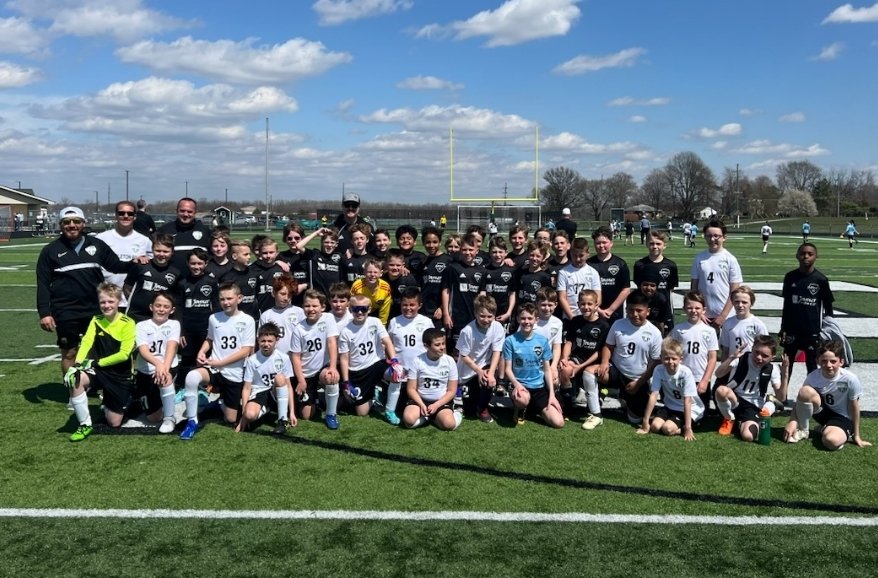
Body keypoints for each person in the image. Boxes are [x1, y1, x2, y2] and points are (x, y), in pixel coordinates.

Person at [37, 206, 131, 380]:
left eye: (76, 222)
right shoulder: (50, 250)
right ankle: (74, 391)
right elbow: (42, 283)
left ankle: (99, 386)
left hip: (95, 309)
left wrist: (137, 262)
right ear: (60, 225)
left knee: (100, 350)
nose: (71, 225)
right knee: (70, 352)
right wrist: (44, 313)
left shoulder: (96, 245)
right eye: (67, 222)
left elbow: (116, 266)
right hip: (65, 310)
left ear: (83, 224)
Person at [179, 282, 256, 440]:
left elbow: (246, 351)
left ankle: (219, 403)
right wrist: (201, 352)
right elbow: (210, 339)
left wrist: (221, 363)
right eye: (222, 299)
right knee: (191, 377)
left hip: (234, 372)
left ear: (239, 298)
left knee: (230, 419)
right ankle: (192, 422)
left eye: (229, 298)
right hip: (214, 369)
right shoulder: (214, 318)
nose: (226, 302)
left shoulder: (248, 320)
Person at [63, 283, 137, 441]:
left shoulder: (128, 323)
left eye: (111, 301)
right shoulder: (96, 320)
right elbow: (86, 343)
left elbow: (124, 355)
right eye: (103, 302)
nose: (106, 305)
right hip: (99, 370)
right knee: (75, 378)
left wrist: (96, 363)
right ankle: (85, 424)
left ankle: (125, 399)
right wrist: (76, 365)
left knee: (114, 422)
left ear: (119, 301)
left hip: (120, 374)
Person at [783, 341, 870, 451]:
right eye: (824, 361)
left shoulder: (850, 379)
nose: (828, 365)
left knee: (830, 441)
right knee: (805, 391)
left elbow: (855, 407)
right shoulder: (813, 377)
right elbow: (801, 399)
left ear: (841, 362)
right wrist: (792, 420)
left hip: (842, 418)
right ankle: (803, 430)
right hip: (823, 413)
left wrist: (857, 436)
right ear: (818, 361)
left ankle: (831, 431)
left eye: (833, 361)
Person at [778, 242, 834, 401]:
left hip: (812, 331)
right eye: (803, 253)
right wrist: (783, 328)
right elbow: (787, 304)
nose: (806, 257)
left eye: (810, 254)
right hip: (792, 330)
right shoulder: (790, 277)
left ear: (816, 257)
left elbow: (828, 307)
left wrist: (829, 328)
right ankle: (782, 397)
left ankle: (813, 397)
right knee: (787, 365)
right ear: (797, 256)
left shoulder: (821, 279)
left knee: (812, 365)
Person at [338, 294, 401, 419]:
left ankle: (389, 410)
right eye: (356, 309)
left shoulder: (375, 322)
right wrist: (346, 382)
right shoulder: (346, 331)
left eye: (364, 309)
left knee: (397, 373)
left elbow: (387, 341)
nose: (360, 312)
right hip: (358, 371)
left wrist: (395, 361)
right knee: (361, 412)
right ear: (350, 310)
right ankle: (375, 395)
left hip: (376, 363)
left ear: (370, 309)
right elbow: (344, 358)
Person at [503, 303, 565, 429]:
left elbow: (547, 370)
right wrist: (517, 385)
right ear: (518, 319)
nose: (527, 322)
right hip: (521, 385)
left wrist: (552, 395)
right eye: (523, 318)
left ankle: (533, 408)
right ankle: (520, 408)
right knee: (523, 399)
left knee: (558, 423)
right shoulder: (510, 341)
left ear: (536, 320)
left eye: (530, 318)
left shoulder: (542, 341)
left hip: (539, 387)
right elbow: (507, 369)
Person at [714, 335, 783, 442]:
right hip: (734, 399)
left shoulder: (772, 369)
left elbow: (781, 397)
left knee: (748, 436)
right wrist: (732, 357)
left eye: (765, 355)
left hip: (752, 406)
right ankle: (729, 419)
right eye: (756, 352)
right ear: (752, 348)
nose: (759, 357)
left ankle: (769, 404)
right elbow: (718, 374)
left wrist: (786, 374)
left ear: (772, 357)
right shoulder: (742, 358)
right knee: (721, 390)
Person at [290, 289, 341, 429]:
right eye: (307, 306)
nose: (311, 309)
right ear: (303, 307)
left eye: (314, 306)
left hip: (323, 367)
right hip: (306, 372)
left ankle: (331, 414)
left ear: (322, 307)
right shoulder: (298, 329)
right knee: (306, 415)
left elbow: (331, 342)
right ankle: (317, 401)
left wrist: (332, 367)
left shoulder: (328, 318)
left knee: (331, 377)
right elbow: (295, 356)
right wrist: (301, 380)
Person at [636, 338, 703, 441]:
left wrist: (688, 428)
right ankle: (672, 422)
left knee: (667, 429)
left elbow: (688, 400)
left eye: (674, 358)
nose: (670, 362)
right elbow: (654, 395)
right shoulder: (659, 369)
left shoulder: (686, 373)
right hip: (669, 406)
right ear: (661, 358)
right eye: (666, 358)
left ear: (680, 359)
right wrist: (645, 421)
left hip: (688, 409)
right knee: (655, 427)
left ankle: (688, 426)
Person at [134, 292, 181, 434]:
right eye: (158, 305)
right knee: (153, 418)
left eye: (166, 306)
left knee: (164, 378)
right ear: (151, 307)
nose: (161, 309)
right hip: (145, 371)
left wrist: (164, 368)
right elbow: (143, 350)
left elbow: (171, 347)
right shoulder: (141, 325)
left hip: (167, 367)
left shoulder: (174, 324)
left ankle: (169, 418)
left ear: (172, 310)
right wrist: (158, 364)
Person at [560, 289, 609, 425]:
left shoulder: (603, 325)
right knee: (564, 369)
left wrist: (581, 367)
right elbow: (569, 341)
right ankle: (569, 405)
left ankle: (601, 394)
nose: (586, 307)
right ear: (578, 304)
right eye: (582, 304)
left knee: (596, 375)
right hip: (578, 357)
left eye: (589, 304)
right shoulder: (575, 320)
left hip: (594, 361)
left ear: (596, 305)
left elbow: (599, 352)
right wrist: (565, 358)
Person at [237, 322, 296, 434]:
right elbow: (246, 388)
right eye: (263, 341)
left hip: (276, 392)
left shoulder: (283, 358)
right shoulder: (252, 360)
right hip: (259, 393)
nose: (266, 344)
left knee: (279, 378)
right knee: (249, 415)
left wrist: (292, 412)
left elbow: (288, 386)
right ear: (258, 340)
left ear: (276, 340)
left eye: (270, 341)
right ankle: (265, 408)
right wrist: (243, 415)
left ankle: (282, 420)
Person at [455, 294, 505, 422]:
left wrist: (491, 373)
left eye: (490, 316)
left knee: (489, 380)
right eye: (482, 316)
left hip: (485, 366)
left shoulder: (498, 327)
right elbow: (464, 356)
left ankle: (483, 408)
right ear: (475, 313)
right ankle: (461, 394)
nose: (486, 319)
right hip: (468, 370)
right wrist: (478, 371)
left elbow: (497, 351)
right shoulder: (467, 331)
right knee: (468, 410)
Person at [96, 200, 153, 307]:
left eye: (130, 213)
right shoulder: (101, 239)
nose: (126, 216)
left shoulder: (144, 241)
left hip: (133, 300)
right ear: (116, 216)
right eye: (121, 213)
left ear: (135, 217)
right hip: (107, 301)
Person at [671, 291, 719, 416]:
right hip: (682, 375)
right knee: (681, 408)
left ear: (704, 310)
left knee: (701, 413)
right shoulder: (678, 329)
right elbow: (672, 352)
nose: (693, 311)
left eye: (697, 308)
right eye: (690, 308)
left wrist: (705, 380)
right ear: (684, 309)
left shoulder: (709, 331)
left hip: (700, 377)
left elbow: (712, 358)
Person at [403, 329, 461, 430]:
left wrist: (436, 405)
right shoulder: (417, 361)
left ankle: (457, 412)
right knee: (408, 420)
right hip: (420, 400)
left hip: (441, 401)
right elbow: (411, 389)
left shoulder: (449, 361)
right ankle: (427, 418)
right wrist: (421, 404)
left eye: (443, 343)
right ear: (426, 346)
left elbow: (452, 390)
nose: (442, 347)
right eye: (437, 345)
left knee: (449, 425)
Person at [689, 219, 742, 330]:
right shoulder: (699, 258)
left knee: (726, 347)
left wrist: (723, 316)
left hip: (727, 316)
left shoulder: (730, 259)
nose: (712, 239)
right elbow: (694, 289)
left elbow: (734, 291)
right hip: (703, 317)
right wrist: (700, 312)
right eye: (709, 236)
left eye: (716, 236)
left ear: (724, 237)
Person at [441, 233, 486, 350]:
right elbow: (446, 291)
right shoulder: (453, 268)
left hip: (475, 317)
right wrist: (446, 314)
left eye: (471, 249)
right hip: (457, 317)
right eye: (464, 249)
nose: (468, 253)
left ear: (477, 250)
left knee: (473, 349)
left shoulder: (482, 271)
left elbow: (482, 294)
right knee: (456, 351)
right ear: (460, 250)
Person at [123, 233, 181, 322]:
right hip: (136, 316)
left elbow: (173, 298)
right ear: (152, 250)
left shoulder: (176, 273)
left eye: (166, 251)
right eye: (158, 250)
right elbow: (127, 288)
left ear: (172, 252)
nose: (161, 254)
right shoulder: (141, 266)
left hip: (159, 318)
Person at [633, 231, 679, 330]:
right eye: (651, 243)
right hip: (644, 310)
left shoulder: (671, 266)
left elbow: (670, 287)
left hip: (664, 310)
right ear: (646, 244)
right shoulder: (640, 265)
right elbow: (638, 285)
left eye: (658, 244)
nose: (655, 246)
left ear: (664, 245)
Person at [588, 226, 631, 324]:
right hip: (593, 311)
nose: (601, 245)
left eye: (604, 242)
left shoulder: (620, 264)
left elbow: (626, 289)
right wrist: (598, 310)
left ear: (611, 243)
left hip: (615, 312)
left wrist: (611, 309)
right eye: (598, 243)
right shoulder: (588, 264)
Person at [158, 197, 211, 271]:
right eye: (182, 211)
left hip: (198, 280)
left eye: (189, 211)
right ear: (176, 211)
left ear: (195, 212)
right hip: (171, 279)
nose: (185, 214)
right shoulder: (164, 230)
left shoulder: (205, 231)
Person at [557, 236, 600, 322]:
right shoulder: (563, 272)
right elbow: (562, 298)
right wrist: (572, 318)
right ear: (570, 253)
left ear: (588, 253)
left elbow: (598, 298)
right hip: (570, 318)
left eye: (581, 255)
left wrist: (589, 315)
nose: (578, 259)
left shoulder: (593, 272)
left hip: (590, 318)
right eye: (574, 255)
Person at [351, 258, 392, 326]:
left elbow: (384, 311)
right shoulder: (357, 286)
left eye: (375, 272)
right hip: (359, 313)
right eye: (369, 272)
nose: (372, 275)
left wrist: (382, 326)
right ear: (364, 272)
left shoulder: (386, 287)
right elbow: (351, 305)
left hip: (376, 313)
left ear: (381, 273)